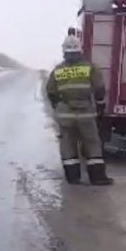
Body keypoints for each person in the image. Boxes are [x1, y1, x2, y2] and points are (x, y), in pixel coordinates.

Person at [45, 31, 114, 185]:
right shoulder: (89, 68)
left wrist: (58, 106)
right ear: (79, 49)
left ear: (64, 51)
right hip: (86, 114)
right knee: (91, 143)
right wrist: (100, 105)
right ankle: (97, 178)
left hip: (65, 115)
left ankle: (73, 177)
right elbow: (99, 88)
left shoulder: (58, 71)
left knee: (67, 144)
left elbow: (51, 91)